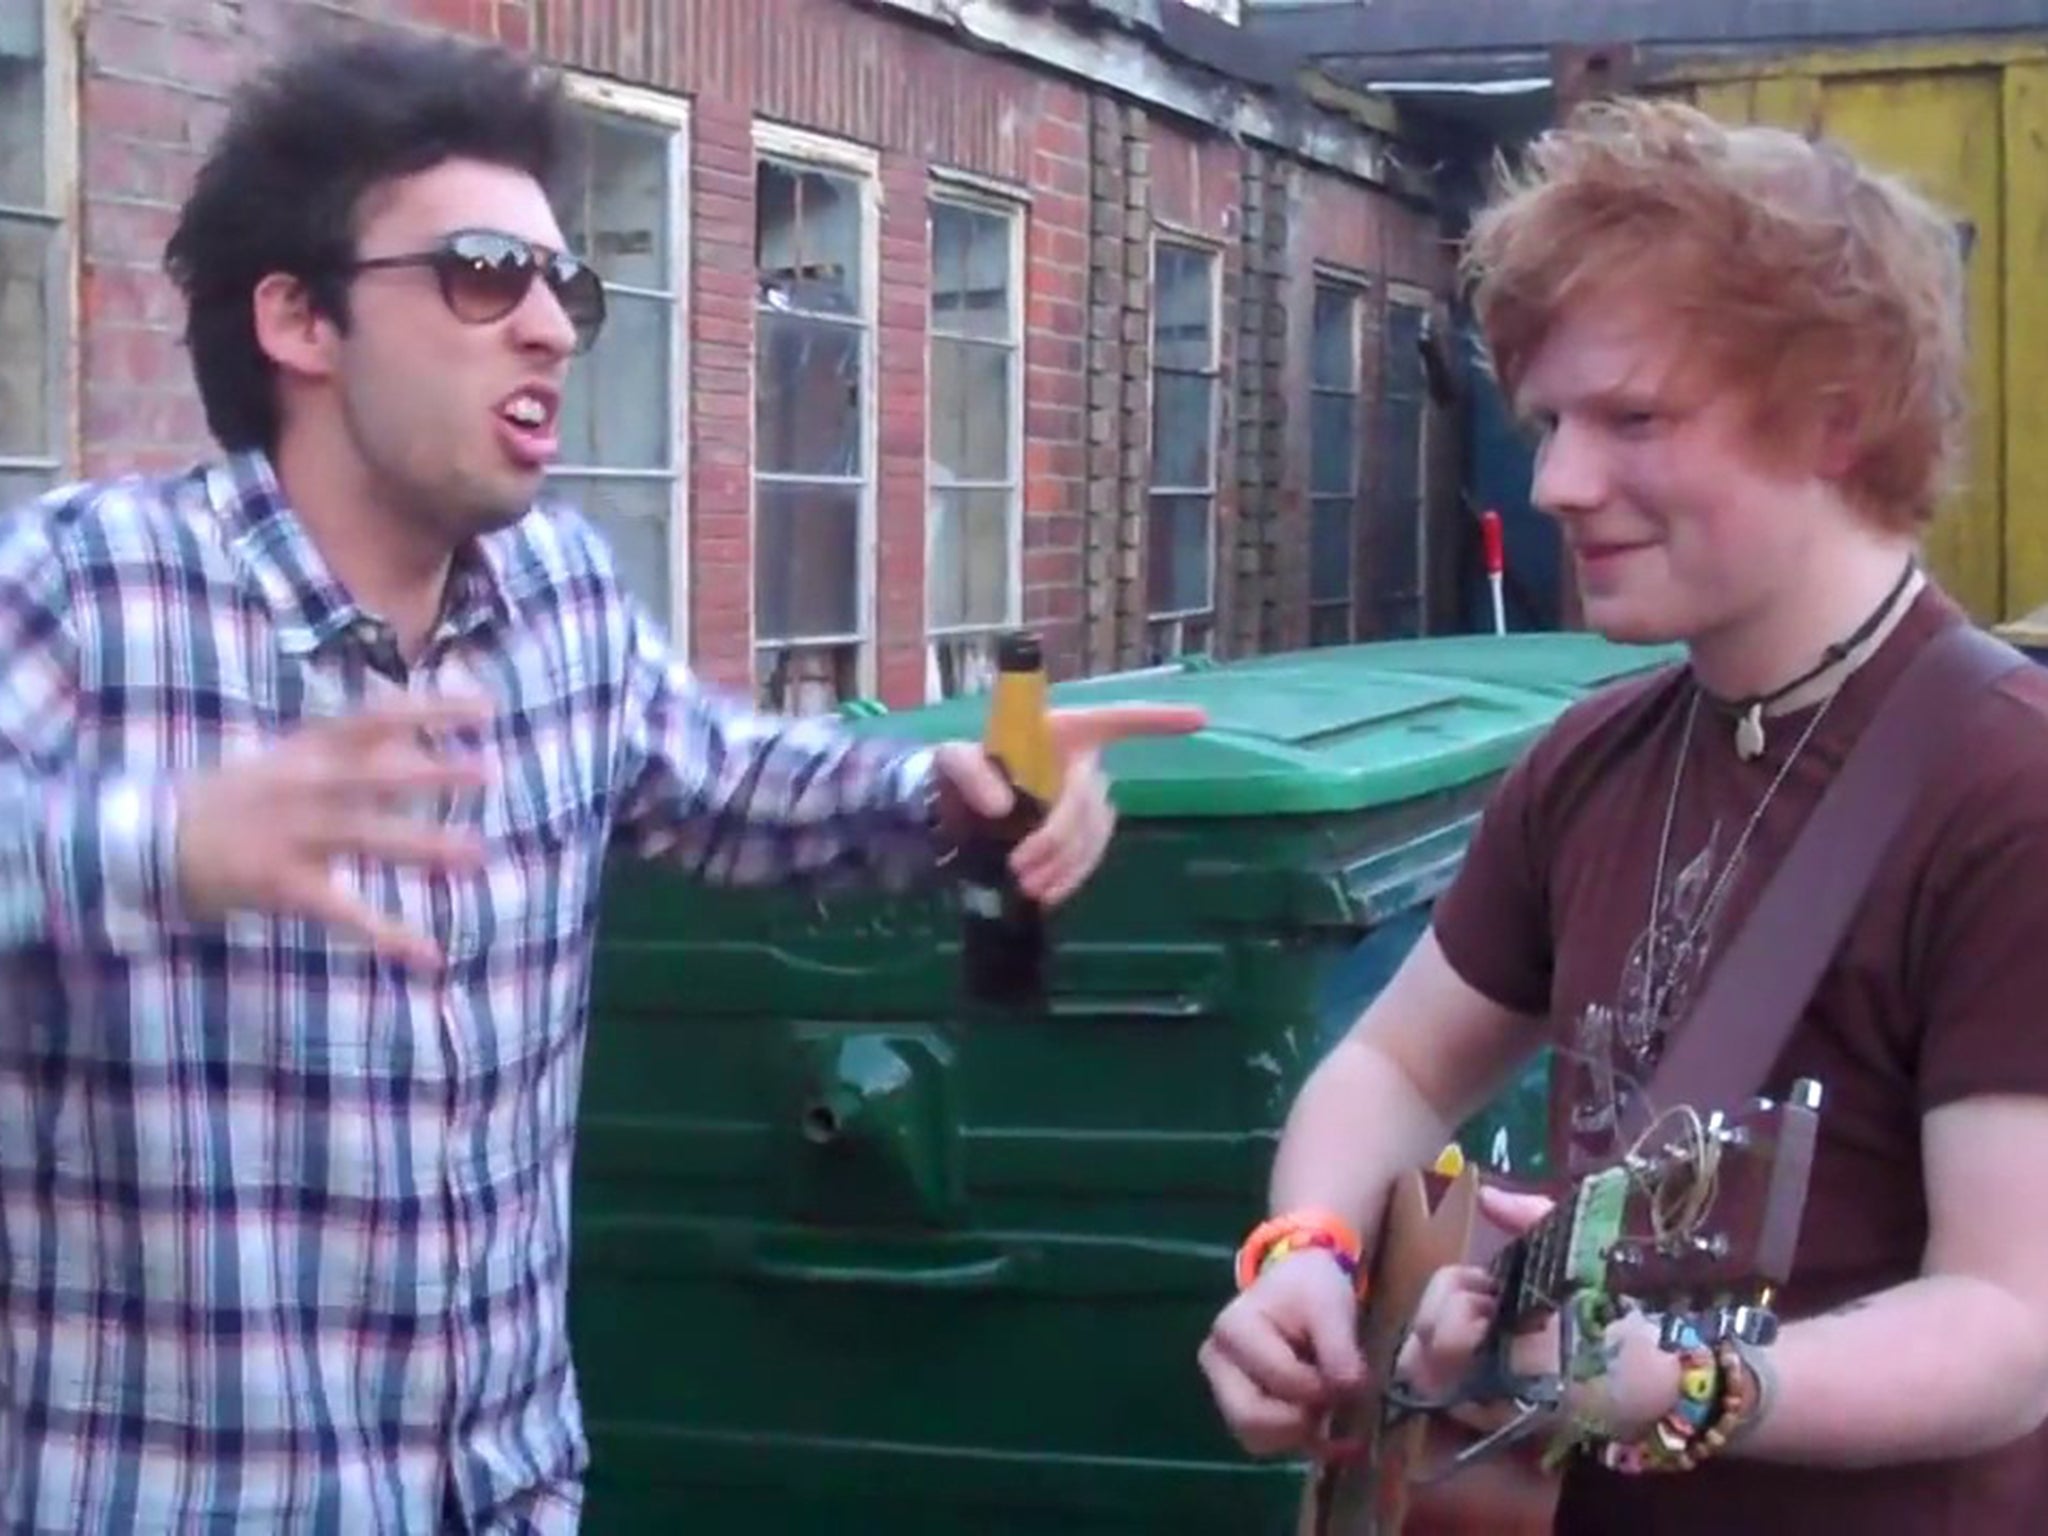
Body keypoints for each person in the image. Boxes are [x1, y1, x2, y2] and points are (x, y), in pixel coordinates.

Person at [0, 28, 1203, 1535]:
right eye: (482, 274)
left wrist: (943, 799)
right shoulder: (93, 591)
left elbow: (725, 782)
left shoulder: (555, 595)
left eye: (562, 286)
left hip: (502, 1493)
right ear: (300, 317)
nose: (551, 329)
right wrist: (158, 843)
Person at [1199, 95, 2048, 1533]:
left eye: (1634, 418)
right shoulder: (1590, 760)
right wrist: (1308, 1255)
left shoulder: (2008, 790)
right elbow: (1395, 1065)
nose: (1557, 483)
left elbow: (2008, 1326)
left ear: (1836, 416)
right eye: (1547, 423)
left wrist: (1687, 1385)